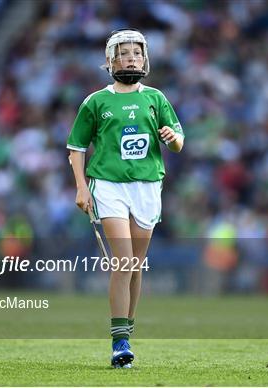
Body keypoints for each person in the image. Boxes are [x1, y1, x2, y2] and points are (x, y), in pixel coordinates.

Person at [67, 28, 184, 368]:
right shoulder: (96, 101)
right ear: (110, 60)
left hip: (147, 187)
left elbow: (178, 142)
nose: (131, 58)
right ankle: (119, 342)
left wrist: (171, 137)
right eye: (124, 53)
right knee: (123, 261)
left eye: (136, 53)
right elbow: (76, 148)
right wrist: (81, 186)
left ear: (144, 58)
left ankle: (127, 330)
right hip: (108, 185)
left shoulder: (156, 98)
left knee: (135, 265)